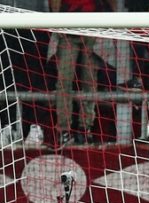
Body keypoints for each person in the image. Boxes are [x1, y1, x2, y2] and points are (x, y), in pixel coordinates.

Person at [50, 0, 116, 147]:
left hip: (94, 26)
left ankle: (85, 129)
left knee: (90, 81)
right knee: (64, 80)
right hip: (68, 26)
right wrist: (56, 20)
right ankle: (64, 130)